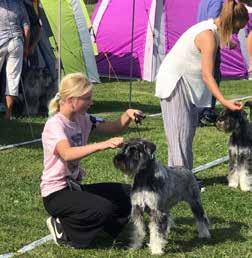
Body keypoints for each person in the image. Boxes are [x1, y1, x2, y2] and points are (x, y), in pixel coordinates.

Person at [41, 73, 144, 248]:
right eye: (87, 98)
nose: (91, 102)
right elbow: (67, 153)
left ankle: (104, 230)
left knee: (130, 193)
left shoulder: (84, 119)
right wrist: (102, 145)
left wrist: (127, 114)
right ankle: (64, 229)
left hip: (73, 187)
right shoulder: (55, 125)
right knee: (103, 208)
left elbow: (114, 126)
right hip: (55, 194)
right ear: (72, 100)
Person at [155, 1, 248, 175]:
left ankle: (183, 178)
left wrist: (229, 43)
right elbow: (207, 75)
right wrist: (223, 101)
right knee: (179, 138)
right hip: (175, 84)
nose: (237, 33)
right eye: (237, 29)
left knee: (186, 135)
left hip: (185, 85)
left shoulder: (212, 29)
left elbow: (220, 40)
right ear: (230, 22)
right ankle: (182, 183)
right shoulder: (208, 35)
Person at [0, 0, 30, 120]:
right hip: (16, 42)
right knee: (13, 79)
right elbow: (27, 28)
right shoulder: (19, 3)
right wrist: (27, 48)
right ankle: (8, 115)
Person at [197, 0, 224, 126]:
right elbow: (213, 23)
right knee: (213, 76)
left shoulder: (204, 1)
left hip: (201, 40)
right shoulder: (218, 2)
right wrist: (225, 40)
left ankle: (201, 110)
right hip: (210, 41)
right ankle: (207, 111)